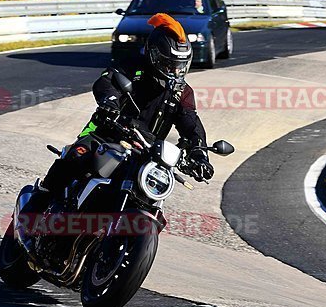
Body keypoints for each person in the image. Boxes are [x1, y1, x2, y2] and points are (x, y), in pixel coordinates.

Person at [28, 13, 213, 210]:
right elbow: (106, 82)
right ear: (153, 55)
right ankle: (34, 209)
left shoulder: (182, 91)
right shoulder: (130, 67)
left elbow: (190, 122)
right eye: (170, 65)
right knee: (74, 158)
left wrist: (199, 154)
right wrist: (110, 103)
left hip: (146, 153)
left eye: (180, 66)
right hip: (105, 133)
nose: (175, 71)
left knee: (152, 198)